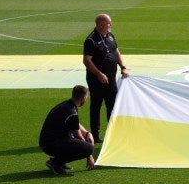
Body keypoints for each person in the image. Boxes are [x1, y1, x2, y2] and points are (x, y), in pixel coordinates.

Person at [83, 13, 129, 143]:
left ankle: (112, 132)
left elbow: (116, 52)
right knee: (96, 106)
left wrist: (123, 67)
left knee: (112, 105)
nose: (111, 25)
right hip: (96, 80)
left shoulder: (110, 36)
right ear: (101, 24)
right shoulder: (91, 40)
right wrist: (99, 74)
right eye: (109, 23)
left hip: (111, 79)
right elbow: (86, 60)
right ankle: (95, 135)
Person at [39, 85, 97, 175]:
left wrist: (87, 133)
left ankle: (59, 162)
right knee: (88, 148)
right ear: (83, 98)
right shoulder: (71, 112)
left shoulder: (68, 105)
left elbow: (75, 124)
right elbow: (78, 135)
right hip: (51, 144)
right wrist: (89, 155)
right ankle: (56, 163)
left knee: (82, 144)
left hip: (48, 141)